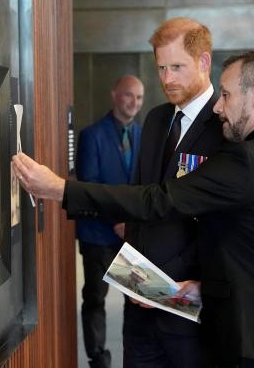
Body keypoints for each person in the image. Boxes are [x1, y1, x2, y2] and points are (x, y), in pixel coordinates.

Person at [14, 50, 254, 368]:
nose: (219, 107)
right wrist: (203, 289)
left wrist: (59, 188)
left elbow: (158, 200)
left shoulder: (248, 158)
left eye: (225, 95)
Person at [120, 17, 223, 368]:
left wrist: (177, 283)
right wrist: (135, 276)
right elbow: (139, 199)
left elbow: (223, 221)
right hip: (139, 297)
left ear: (204, 62)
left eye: (177, 67)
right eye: (161, 68)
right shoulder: (155, 120)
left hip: (189, 301)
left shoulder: (225, 126)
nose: (166, 79)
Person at [76, 74, 144, 368]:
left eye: (139, 98)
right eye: (129, 95)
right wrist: (117, 220)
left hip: (134, 236)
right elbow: (89, 184)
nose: (134, 103)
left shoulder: (145, 136)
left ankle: (137, 354)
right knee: (95, 299)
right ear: (115, 94)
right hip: (98, 236)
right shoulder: (92, 135)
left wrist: (131, 223)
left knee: (138, 299)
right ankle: (98, 358)